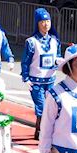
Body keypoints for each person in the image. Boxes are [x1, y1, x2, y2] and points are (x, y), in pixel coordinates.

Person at [21, 8, 61, 138]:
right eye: (42, 22)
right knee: (41, 107)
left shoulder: (55, 40)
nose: (45, 24)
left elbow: (58, 57)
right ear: (37, 24)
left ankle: (39, 132)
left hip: (50, 81)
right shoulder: (31, 42)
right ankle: (42, 133)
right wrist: (25, 78)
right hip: (36, 81)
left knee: (50, 109)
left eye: (48, 21)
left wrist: (61, 62)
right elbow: (25, 61)